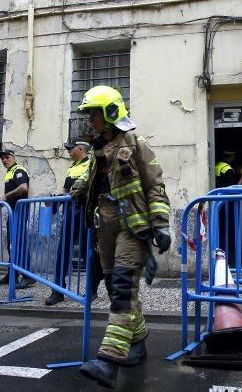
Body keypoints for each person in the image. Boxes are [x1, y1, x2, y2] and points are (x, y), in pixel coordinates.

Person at [75, 86, 172, 389]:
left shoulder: (136, 143)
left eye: (93, 113)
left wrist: (161, 224)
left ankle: (109, 361)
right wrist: (77, 189)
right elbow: (90, 178)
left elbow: (155, 186)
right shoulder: (97, 149)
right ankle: (139, 341)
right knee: (117, 286)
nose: (90, 119)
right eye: (88, 113)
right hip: (105, 227)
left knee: (121, 288)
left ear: (110, 113)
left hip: (133, 227)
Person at [45, 139, 103, 306]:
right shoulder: (71, 168)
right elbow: (65, 191)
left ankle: (91, 290)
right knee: (62, 250)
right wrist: (56, 200)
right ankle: (57, 291)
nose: (69, 152)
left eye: (71, 149)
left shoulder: (91, 164)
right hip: (71, 212)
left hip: (86, 211)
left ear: (80, 148)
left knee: (88, 252)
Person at [0, 149, 34, 289]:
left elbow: (24, 188)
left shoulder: (19, 170)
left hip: (19, 212)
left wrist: (6, 196)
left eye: (7, 157)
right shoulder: (9, 172)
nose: (4, 160)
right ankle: (12, 274)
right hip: (13, 212)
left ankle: (28, 276)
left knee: (19, 244)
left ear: (13, 157)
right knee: (12, 244)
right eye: (2, 159)